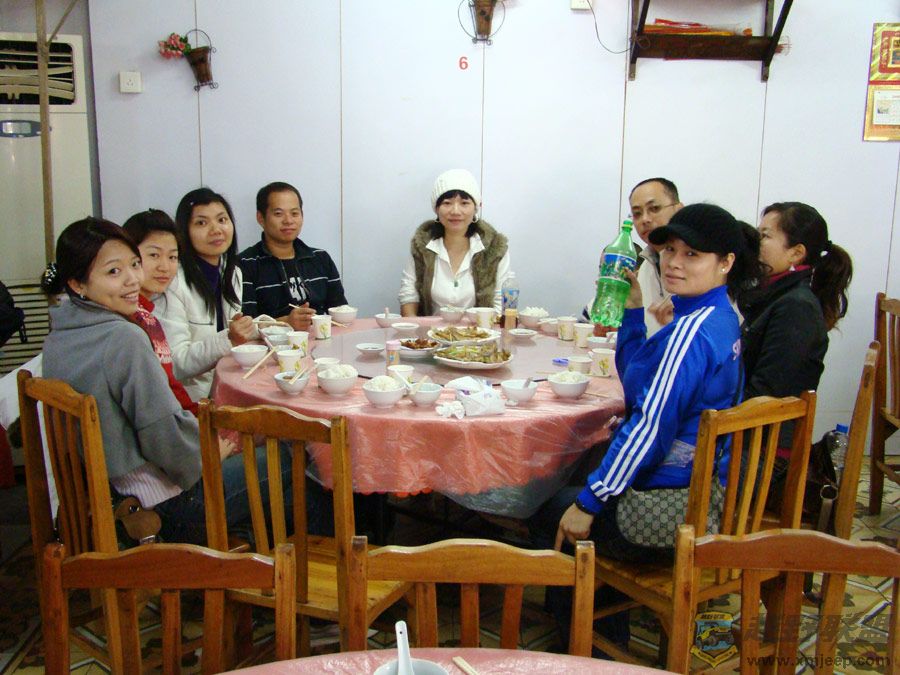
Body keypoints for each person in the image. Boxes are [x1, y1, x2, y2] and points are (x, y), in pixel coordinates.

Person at [532, 204, 760, 647]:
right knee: (584, 474)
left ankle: (586, 649)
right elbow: (639, 385)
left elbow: (649, 428)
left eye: (692, 254)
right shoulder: (717, 317)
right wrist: (635, 314)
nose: (674, 263)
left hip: (673, 509)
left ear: (726, 262)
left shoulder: (692, 332)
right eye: (670, 250)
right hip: (701, 490)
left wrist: (590, 502)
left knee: (551, 510)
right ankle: (603, 625)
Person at [41, 218, 289, 545]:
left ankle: (242, 541)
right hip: (161, 504)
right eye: (113, 271)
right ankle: (273, 557)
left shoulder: (58, 337)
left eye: (134, 265)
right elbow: (163, 435)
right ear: (78, 284)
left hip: (106, 496)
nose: (132, 279)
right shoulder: (124, 338)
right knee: (289, 453)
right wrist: (208, 454)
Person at [739, 202, 852, 450]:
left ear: (796, 253)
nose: (755, 243)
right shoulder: (776, 296)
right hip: (749, 437)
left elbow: (766, 396)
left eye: (765, 236)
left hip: (764, 452)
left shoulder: (796, 308)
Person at [154, 188, 256, 401]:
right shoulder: (173, 282)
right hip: (192, 400)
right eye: (201, 223)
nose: (216, 230)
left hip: (230, 385)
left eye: (222, 220)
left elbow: (235, 334)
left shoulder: (232, 272)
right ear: (184, 231)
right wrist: (229, 338)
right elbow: (175, 364)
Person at [399, 169, 513, 316]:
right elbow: (409, 294)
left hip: (480, 329)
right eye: (447, 203)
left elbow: (500, 303)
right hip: (430, 329)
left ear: (476, 208)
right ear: (436, 209)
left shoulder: (495, 248)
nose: (455, 211)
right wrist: (414, 326)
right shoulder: (422, 245)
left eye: (464, 203)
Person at [238, 181, 347, 331]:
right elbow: (243, 327)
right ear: (261, 218)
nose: (288, 221)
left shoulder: (320, 258)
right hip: (272, 345)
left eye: (294, 213)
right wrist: (285, 323)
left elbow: (339, 309)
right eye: (278, 214)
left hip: (322, 341)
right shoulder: (245, 264)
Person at [122, 209, 197, 415]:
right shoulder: (133, 318)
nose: (165, 267)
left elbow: (169, 383)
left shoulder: (145, 312)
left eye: (172, 257)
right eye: (154, 255)